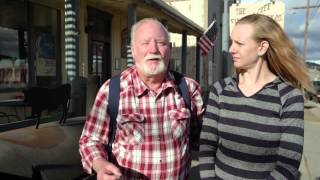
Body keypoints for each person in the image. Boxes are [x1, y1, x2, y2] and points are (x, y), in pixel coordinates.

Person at [79, 18, 204, 179]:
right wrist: (101, 165)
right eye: (145, 43)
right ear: (133, 50)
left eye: (161, 43)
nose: (153, 49)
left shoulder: (189, 89)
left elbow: (202, 140)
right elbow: (90, 141)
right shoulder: (111, 91)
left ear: (170, 49)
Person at [199, 14, 314, 180]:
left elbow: (288, 164)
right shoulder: (220, 90)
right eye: (232, 42)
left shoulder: (289, 97)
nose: (231, 49)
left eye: (239, 43)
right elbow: (206, 147)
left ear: (262, 47)